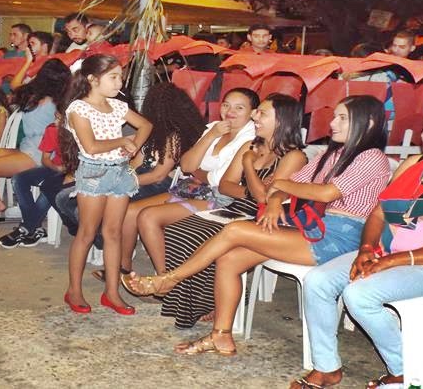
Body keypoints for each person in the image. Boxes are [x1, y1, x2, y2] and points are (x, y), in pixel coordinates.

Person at [125, 95, 391, 357]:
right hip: (310, 228)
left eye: (342, 118)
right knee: (229, 259)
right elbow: (277, 187)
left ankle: (168, 280)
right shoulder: (329, 155)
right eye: (335, 116)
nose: (332, 123)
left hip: (341, 239)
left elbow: (325, 193)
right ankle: (221, 335)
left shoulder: (371, 157)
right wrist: (275, 201)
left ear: (367, 124)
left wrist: (279, 187)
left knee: (234, 230)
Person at [291, 100, 423, 389]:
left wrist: (390, 261)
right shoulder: (414, 164)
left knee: (360, 294)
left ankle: (405, 371)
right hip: (386, 254)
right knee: (318, 280)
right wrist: (366, 249)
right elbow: (377, 213)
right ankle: (326, 367)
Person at [158, 94, 308, 328]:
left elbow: (265, 199)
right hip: (234, 207)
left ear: (281, 121)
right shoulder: (251, 145)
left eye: (262, 113)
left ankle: (209, 301)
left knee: (195, 236)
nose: (255, 117)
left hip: (260, 217)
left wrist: (248, 164)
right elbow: (226, 185)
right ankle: (190, 303)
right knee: (178, 231)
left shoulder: (293, 156)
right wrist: (250, 190)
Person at [54, 82, 206, 268]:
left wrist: (119, 182)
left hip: (159, 184)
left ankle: (109, 245)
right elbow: (135, 162)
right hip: (139, 177)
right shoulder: (152, 131)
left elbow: (158, 175)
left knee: (89, 207)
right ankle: (99, 241)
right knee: (64, 197)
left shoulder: (174, 136)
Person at [120, 88, 258, 275]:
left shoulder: (250, 139)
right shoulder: (214, 128)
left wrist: (199, 171)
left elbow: (217, 179)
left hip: (222, 199)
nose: (230, 111)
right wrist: (210, 136)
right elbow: (186, 164)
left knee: (148, 216)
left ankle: (164, 280)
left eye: (239, 107)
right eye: (226, 105)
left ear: (252, 113)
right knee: (129, 212)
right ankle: (123, 269)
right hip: (193, 188)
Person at [61, 54, 153, 315]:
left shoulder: (117, 106)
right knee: (87, 233)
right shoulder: (78, 109)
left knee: (114, 234)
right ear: (92, 79)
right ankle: (74, 290)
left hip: (120, 173)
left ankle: (112, 292)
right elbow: (90, 146)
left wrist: (135, 146)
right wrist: (124, 142)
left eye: (120, 77)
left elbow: (146, 124)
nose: (119, 82)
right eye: (113, 77)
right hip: (93, 173)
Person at [0, 58, 71, 236]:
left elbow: (15, 85)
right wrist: (28, 60)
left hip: (41, 153)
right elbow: (15, 85)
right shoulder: (37, 96)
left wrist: (29, 61)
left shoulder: (57, 102)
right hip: (27, 147)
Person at [0, 112, 66, 249]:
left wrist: (64, 170)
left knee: (48, 187)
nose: (56, 121)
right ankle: (35, 228)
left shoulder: (81, 132)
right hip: (55, 167)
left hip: (74, 172)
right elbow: (45, 159)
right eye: (55, 116)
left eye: (60, 118)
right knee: (19, 179)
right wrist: (56, 167)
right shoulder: (52, 129)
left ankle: (27, 227)